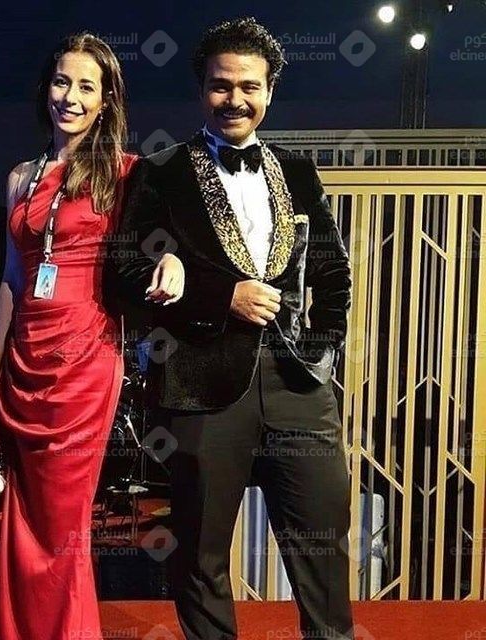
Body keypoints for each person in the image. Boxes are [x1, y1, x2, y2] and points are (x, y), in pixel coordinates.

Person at [112, 17, 354, 640]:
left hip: (299, 384)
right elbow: (124, 272)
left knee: (323, 539)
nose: (235, 99)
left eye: (249, 86)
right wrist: (223, 296)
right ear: (202, 90)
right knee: (200, 550)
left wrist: (320, 351)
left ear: (270, 90)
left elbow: (333, 273)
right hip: (200, 382)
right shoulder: (160, 171)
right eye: (221, 86)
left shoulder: (298, 171)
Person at [0, 32, 183, 640]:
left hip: (87, 356)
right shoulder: (20, 176)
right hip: (24, 355)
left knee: (64, 517)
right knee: (23, 511)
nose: (69, 96)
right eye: (61, 81)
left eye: (86, 87)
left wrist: (172, 260)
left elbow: (167, 239)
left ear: (106, 100)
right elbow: (13, 275)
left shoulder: (127, 173)